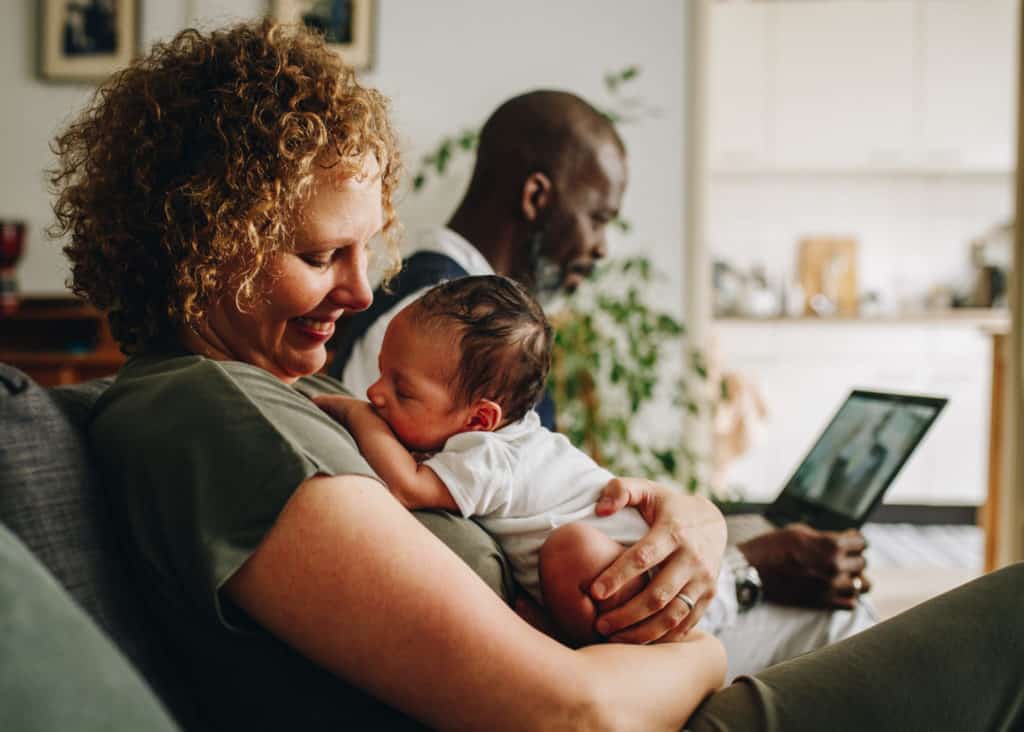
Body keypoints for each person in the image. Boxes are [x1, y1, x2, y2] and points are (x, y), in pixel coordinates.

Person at [48, 19, 1024, 732]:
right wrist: (718, 634)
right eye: (318, 255)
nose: (362, 287)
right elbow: (572, 714)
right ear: (207, 248)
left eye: (364, 249)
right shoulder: (220, 419)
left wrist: (693, 518)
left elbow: (532, 481)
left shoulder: (288, 393)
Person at [330, 87, 877, 677]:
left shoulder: (454, 318)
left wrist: (704, 523)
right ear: (537, 196)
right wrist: (749, 572)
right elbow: (438, 527)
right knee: (838, 620)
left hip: (579, 558)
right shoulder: (429, 337)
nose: (601, 247)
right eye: (597, 217)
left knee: (758, 539)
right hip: (572, 629)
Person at [317, 274, 692, 646]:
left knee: (571, 548)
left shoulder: (491, 454)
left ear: (480, 420)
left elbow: (407, 486)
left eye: (402, 390)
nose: (373, 393)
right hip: (636, 578)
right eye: (382, 371)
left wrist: (355, 414)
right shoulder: (484, 434)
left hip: (637, 583)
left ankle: (570, 642)